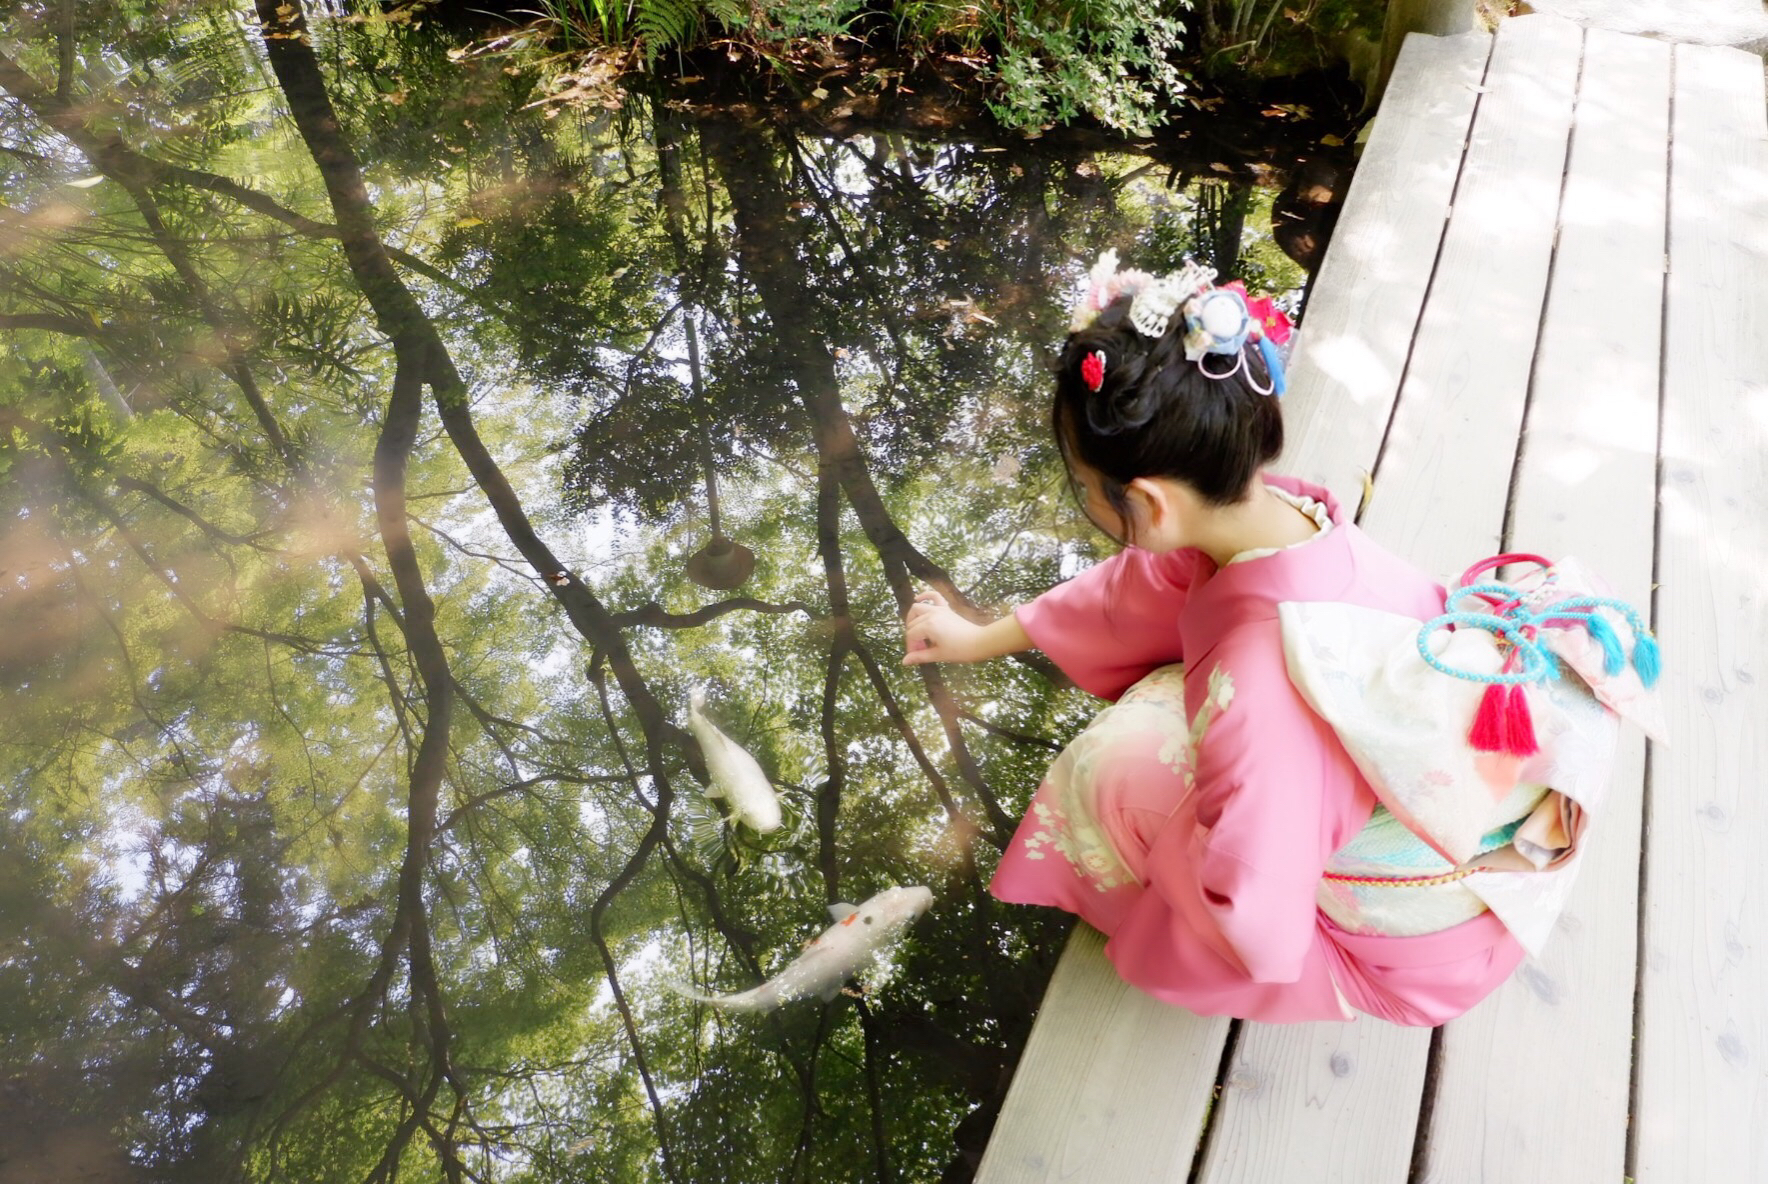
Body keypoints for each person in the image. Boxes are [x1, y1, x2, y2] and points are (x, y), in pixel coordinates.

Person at [899, 254, 1535, 1026]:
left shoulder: (1261, 694)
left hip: (1410, 940)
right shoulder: (1296, 520)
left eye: (1082, 482)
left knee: (1107, 774)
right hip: (1413, 800)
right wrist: (979, 638)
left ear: (1146, 502)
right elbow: (1134, 593)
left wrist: (1196, 860)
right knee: (1178, 719)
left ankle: (1155, 908)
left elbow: (1260, 921)